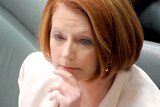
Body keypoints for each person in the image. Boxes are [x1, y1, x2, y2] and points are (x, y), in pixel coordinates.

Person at [18, 0, 160, 107]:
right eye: (59, 37)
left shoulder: (147, 103)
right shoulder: (34, 70)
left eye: (85, 41)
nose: (66, 54)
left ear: (114, 46)